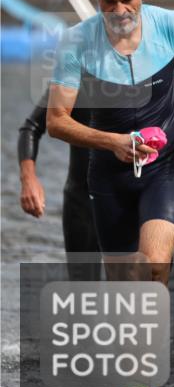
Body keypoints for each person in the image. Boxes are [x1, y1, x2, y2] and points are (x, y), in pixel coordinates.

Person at [46, 0, 174, 387]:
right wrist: (114, 142)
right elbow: (56, 121)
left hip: (167, 168)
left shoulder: (172, 26)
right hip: (109, 176)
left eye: (128, 0)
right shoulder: (77, 42)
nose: (120, 11)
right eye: (108, 2)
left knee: (153, 265)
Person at [18, 89, 102, 281]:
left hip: (125, 204)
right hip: (81, 202)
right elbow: (31, 128)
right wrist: (29, 179)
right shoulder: (73, 79)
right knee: (83, 293)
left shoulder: (140, 78)